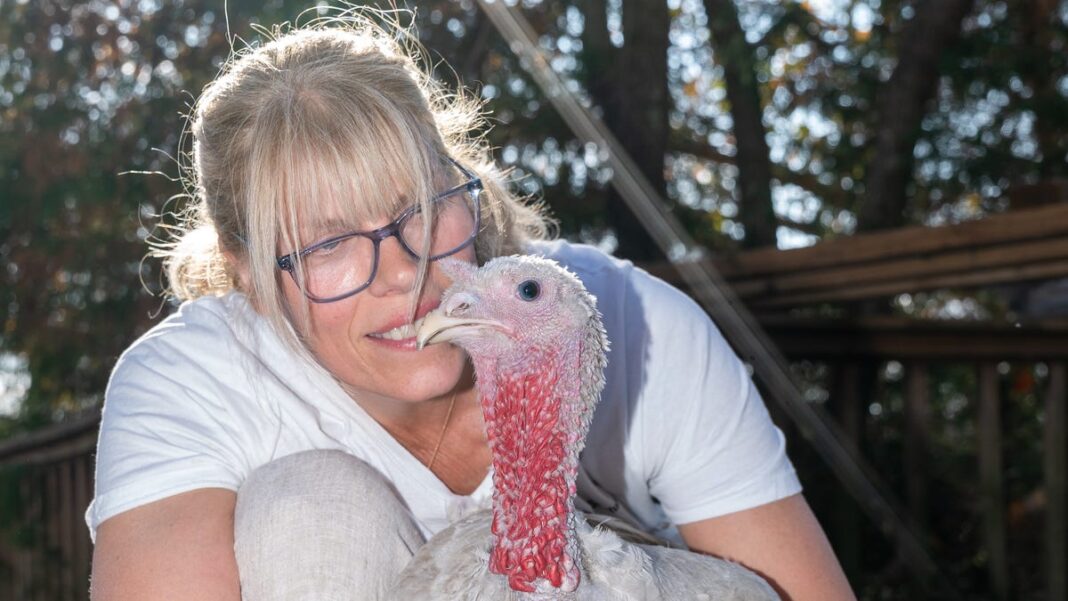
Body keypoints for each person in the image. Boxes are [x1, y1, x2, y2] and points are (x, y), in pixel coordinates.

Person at [86, 9, 855, 601]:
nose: (403, 272)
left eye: (420, 205)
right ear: (247, 274)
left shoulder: (617, 323)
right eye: (326, 244)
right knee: (308, 506)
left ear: (468, 184)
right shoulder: (192, 384)